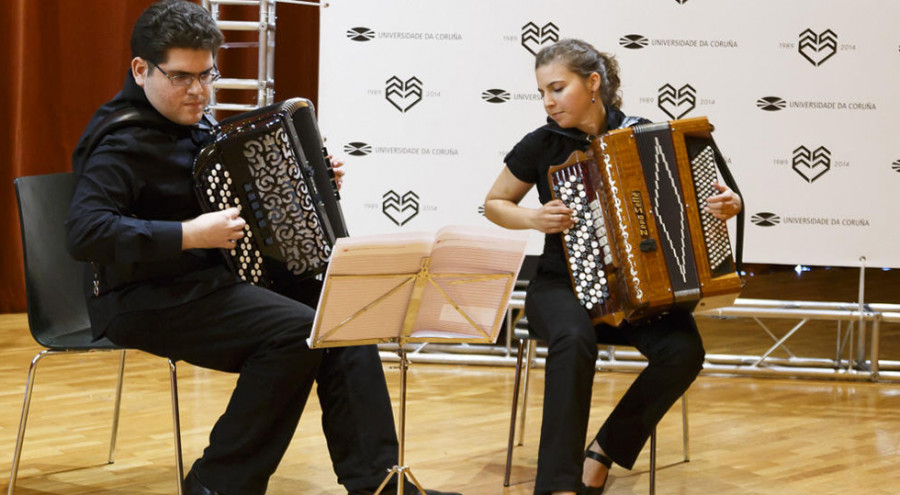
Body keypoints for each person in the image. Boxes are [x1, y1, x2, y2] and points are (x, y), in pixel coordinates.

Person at [65, 2, 458, 494]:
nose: (200, 91)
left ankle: (378, 484)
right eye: (183, 77)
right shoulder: (119, 141)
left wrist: (311, 176)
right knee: (295, 334)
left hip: (211, 282)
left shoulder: (199, 125)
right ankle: (218, 485)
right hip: (140, 295)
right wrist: (189, 234)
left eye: (208, 75)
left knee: (345, 313)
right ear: (141, 70)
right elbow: (84, 233)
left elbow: (240, 197)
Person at [484, 39, 742, 495]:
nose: (548, 101)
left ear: (593, 83)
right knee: (572, 336)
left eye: (558, 88)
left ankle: (602, 453)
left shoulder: (647, 134)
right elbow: (495, 203)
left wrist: (728, 204)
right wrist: (533, 218)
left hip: (637, 294)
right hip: (559, 286)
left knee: (684, 352)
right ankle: (558, 486)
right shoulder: (543, 144)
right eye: (542, 91)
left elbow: (713, 200)